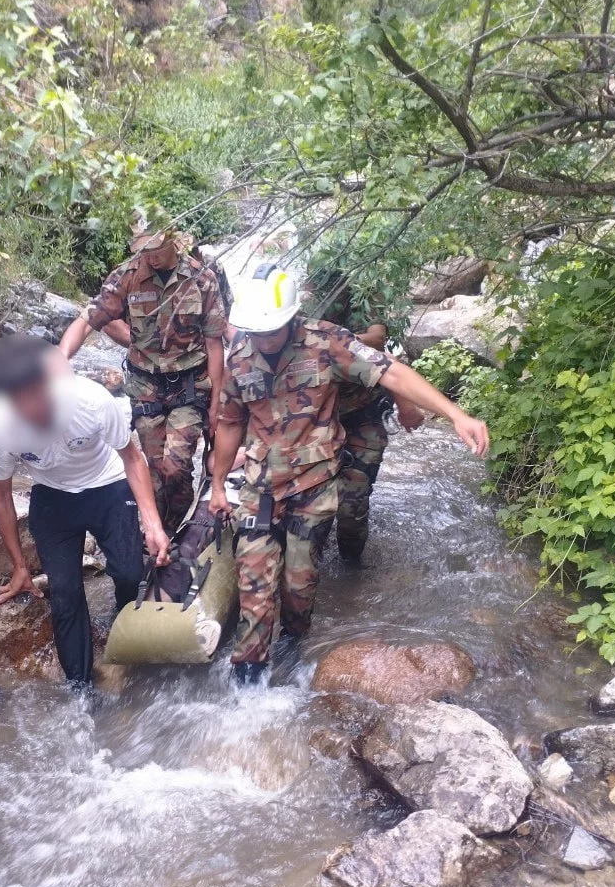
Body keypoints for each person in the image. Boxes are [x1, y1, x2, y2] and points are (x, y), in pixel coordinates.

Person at [208, 264, 490, 684]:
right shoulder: (240, 355)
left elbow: (391, 371)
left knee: (299, 586)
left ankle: (293, 640)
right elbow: (230, 422)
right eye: (256, 330)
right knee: (255, 588)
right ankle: (247, 678)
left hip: (313, 488)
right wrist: (216, 484)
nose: (262, 339)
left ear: (289, 318)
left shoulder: (328, 342)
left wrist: (454, 414)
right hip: (260, 490)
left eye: (270, 330)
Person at [0, 334, 171, 687]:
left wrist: (153, 525)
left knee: (128, 573)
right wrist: (19, 567)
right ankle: (81, 689)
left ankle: (125, 631)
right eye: (21, 401)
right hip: (53, 496)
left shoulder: (92, 401)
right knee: (64, 593)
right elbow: (1, 496)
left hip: (108, 485)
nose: (33, 408)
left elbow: (132, 459)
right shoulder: (0, 430)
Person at [60, 222, 227, 534]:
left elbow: (216, 343)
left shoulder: (201, 279)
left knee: (176, 468)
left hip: (190, 385)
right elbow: (89, 319)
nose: (149, 256)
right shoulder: (127, 276)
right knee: (154, 470)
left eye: (155, 248)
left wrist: (218, 402)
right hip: (145, 386)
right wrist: (59, 360)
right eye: (143, 249)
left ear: (174, 240)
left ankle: (176, 528)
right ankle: (161, 535)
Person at [321, 284, 425, 564]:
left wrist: (407, 409)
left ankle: (351, 567)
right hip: (317, 423)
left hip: (361, 416)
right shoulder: (294, 326)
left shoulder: (362, 299)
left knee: (352, 504)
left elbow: (383, 349)